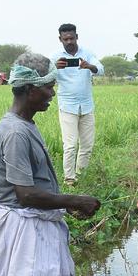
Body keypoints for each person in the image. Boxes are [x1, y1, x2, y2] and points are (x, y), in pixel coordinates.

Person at [0, 53, 101, 276]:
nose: (52, 94)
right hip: (24, 230)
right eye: (48, 87)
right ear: (28, 90)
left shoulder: (25, 125)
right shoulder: (15, 133)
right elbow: (25, 194)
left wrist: (64, 202)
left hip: (37, 225)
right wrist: (73, 200)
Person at [50, 23, 104, 185]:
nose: (69, 41)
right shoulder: (55, 56)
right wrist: (54, 68)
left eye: (71, 38)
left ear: (77, 37)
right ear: (60, 39)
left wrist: (89, 66)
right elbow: (42, 74)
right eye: (65, 39)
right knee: (70, 146)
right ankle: (69, 180)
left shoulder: (86, 54)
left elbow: (101, 69)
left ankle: (82, 176)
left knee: (87, 145)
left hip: (86, 106)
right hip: (67, 106)